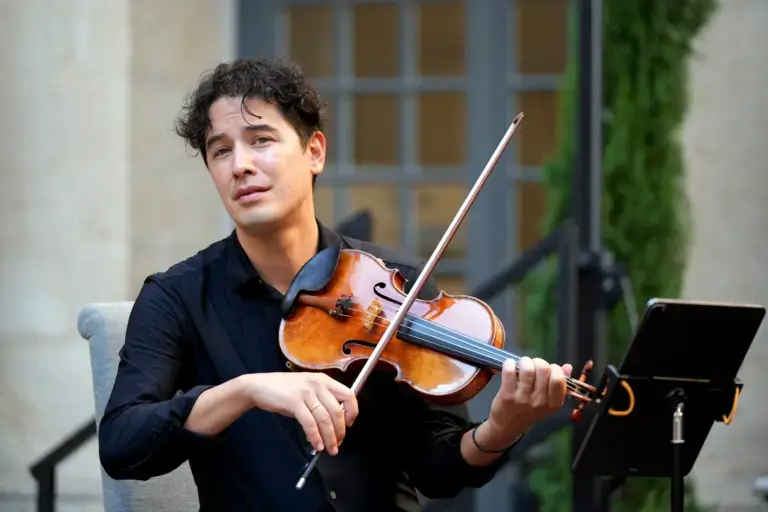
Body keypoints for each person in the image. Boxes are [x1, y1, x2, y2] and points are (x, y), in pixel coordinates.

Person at [98, 57, 573, 512]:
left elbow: (438, 471)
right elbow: (123, 443)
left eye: (261, 140)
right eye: (221, 150)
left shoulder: (396, 281)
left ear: (315, 152)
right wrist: (243, 391)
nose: (239, 164)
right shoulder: (177, 296)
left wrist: (502, 428)